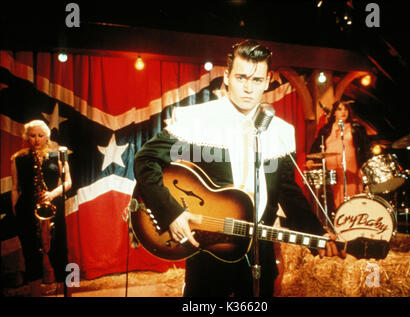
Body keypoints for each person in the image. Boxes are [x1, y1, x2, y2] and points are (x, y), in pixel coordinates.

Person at [134, 40, 344, 297]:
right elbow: (145, 160)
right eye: (241, 77)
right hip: (208, 253)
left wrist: (317, 235)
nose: (248, 87)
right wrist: (171, 213)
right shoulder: (198, 119)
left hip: (260, 253)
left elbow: (288, 193)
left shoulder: (280, 131)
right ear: (226, 77)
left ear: (267, 81)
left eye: (256, 80)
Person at [10, 120, 72, 297]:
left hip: (52, 206)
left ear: (47, 137)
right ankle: (35, 292)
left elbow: (68, 182)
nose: (36, 139)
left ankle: (67, 290)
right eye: (32, 135)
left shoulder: (58, 156)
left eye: (40, 135)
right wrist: (15, 209)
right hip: (27, 209)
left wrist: (52, 194)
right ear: (26, 137)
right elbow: (15, 187)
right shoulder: (18, 159)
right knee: (31, 253)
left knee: (60, 250)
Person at [306, 101, 371, 214]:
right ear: (334, 113)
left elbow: (365, 147)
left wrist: (364, 165)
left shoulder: (357, 128)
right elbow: (316, 146)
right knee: (334, 194)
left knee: (352, 192)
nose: (343, 112)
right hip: (332, 167)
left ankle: (353, 216)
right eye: (339, 109)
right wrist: (310, 159)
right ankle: (339, 217)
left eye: (345, 109)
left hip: (351, 166)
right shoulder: (326, 129)